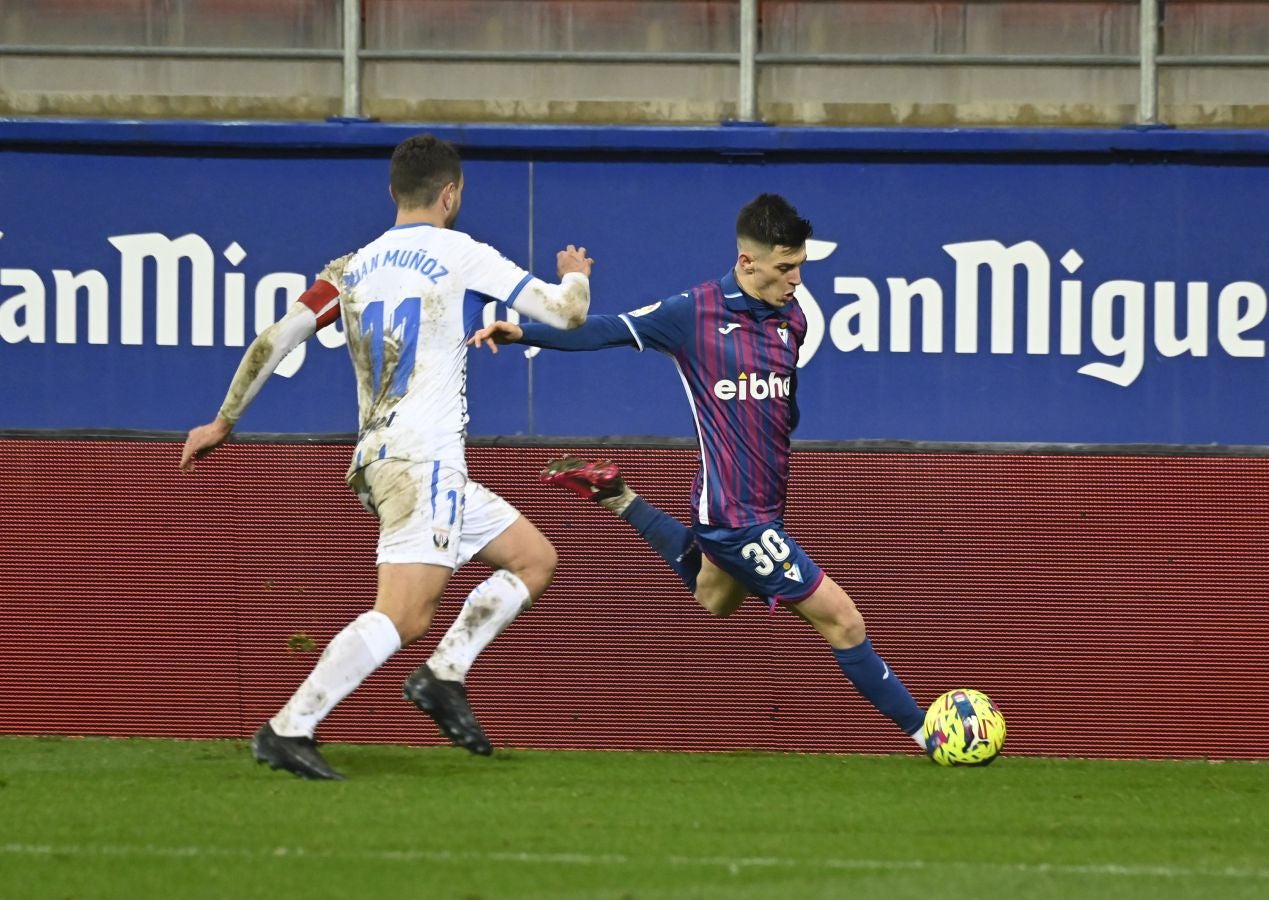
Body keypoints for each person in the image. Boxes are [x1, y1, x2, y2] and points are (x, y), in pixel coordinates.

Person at [180, 134, 594, 779]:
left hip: (383, 457)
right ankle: (290, 727)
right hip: (422, 461)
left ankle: (443, 675)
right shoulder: (460, 252)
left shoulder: (349, 267)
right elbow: (568, 315)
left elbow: (276, 338)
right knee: (403, 613)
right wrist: (576, 273)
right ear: (451, 193)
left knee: (531, 558)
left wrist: (223, 419)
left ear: (392, 192)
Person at [468, 193, 930, 751]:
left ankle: (616, 495)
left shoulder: (794, 318)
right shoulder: (694, 313)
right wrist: (527, 332)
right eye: (786, 268)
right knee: (844, 623)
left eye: (801, 265)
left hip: (759, 503)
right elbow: (606, 329)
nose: (797, 280)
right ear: (747, 261)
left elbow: (780, 405)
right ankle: (929, 734)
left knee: (715, 599)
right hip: (737, 518)